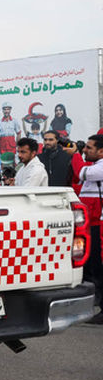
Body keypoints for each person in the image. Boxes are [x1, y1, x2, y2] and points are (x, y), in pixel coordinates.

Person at [76, 134, 103, 323]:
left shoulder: (99, 168)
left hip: (99, 223)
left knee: (99, 266)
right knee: (93, 265)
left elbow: (81, 173)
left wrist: (74, 155)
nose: (85, 150)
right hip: (91, 222)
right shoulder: (95, 166)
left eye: (89, 148)